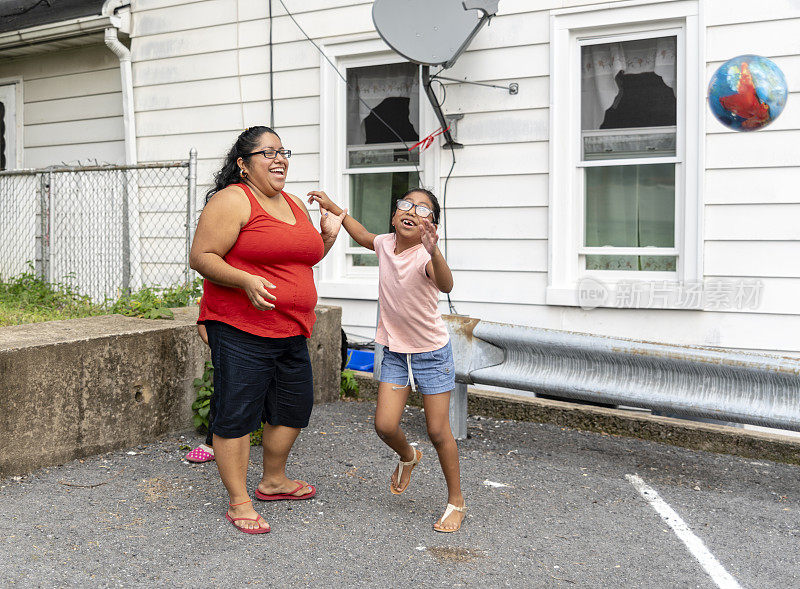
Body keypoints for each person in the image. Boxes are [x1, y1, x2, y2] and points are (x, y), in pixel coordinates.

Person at [189, 126, 346, 534]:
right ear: (243, 164)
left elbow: (298, 260)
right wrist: (244, 280)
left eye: (283, 152)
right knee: (237, 414)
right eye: (268, 153)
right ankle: (239, 501)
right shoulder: (232, 201)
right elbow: (202, 256)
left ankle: (273, 480)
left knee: (294, 407)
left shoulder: (294, 203)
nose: (279, 160)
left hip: (291, 328)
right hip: (241, 327)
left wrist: (326, 238)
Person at [308, 188, 466, 533]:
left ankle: (456, 501)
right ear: (394, 216)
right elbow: (364, 236)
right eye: (405, 205)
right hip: (394, 350)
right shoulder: (386, 244)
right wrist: (334, 209)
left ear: (431, 224)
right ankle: (409, 456)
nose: (411, 210)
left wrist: (434, 249)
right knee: (384, 425)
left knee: (439, 431)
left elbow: (447, 284)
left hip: (431, 353)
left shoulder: (426, 257)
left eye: (422, 209)